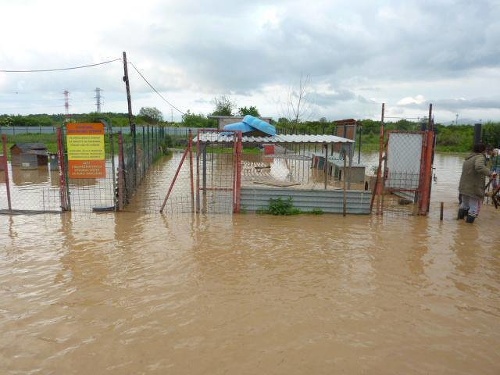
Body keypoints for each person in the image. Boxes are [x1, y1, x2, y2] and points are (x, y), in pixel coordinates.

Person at [457, 143, 497, 223]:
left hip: (464, 186)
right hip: (473, 187)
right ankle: (468, 229)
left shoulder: (469, 157)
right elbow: (479, 167)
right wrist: (491, 173)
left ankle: (460, 225)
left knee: (464, 205)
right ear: (483, 150)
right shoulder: (480, 157)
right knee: (473, 208)